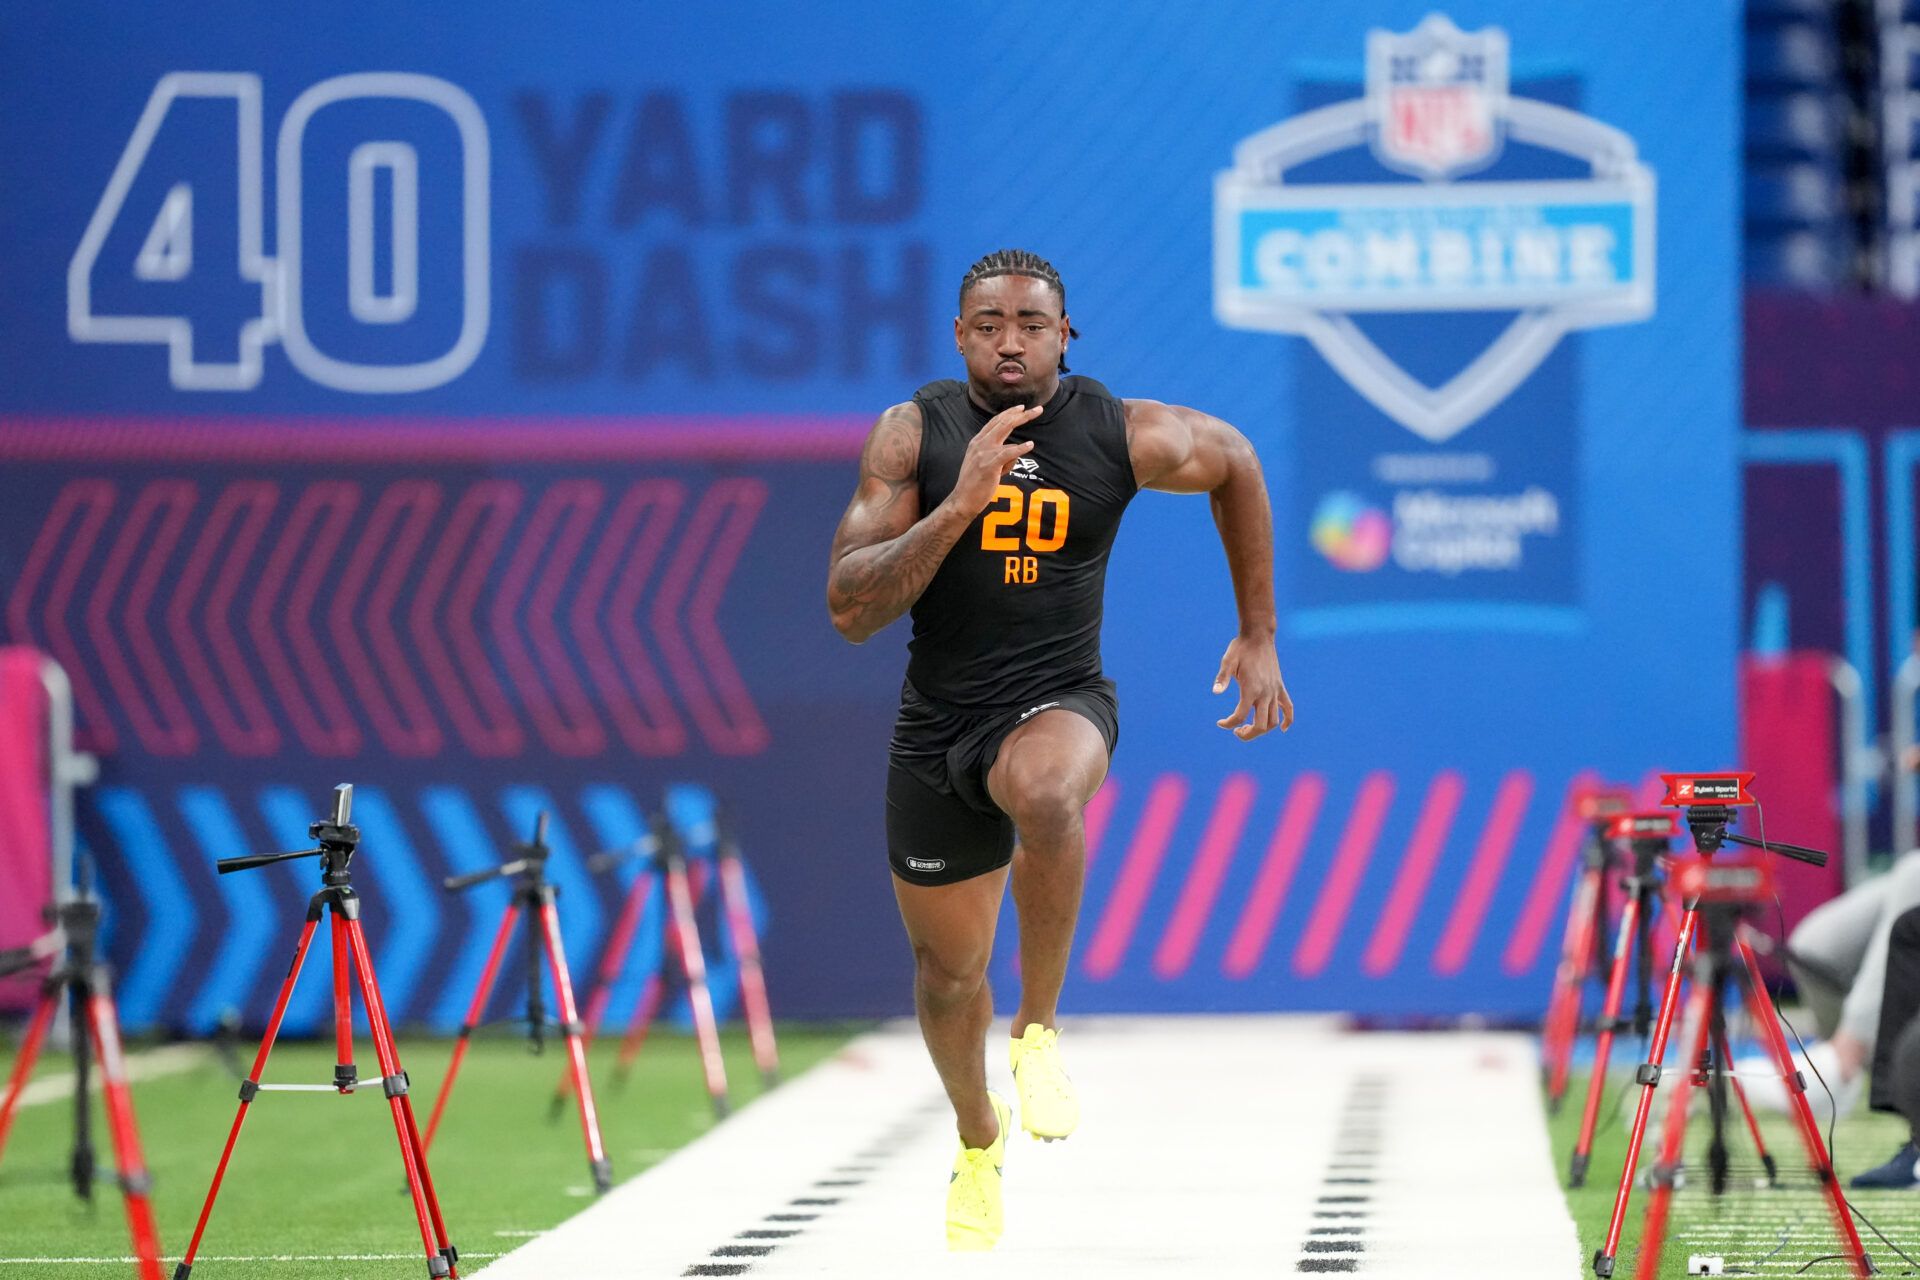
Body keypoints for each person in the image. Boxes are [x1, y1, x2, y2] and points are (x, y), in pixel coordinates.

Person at [825, 248, 1294, 1250]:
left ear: (1064, 336)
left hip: (1058, 697)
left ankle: (1038, 1028)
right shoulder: (915, 432)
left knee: (1046, 796)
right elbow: (849, 607)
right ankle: (977, 1136)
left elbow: (1239, 461)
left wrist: (1257, 630)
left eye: (1031, 323)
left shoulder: (1119, 431)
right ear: (959, 336)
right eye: (988, 321)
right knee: (948, 974)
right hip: (938, 725)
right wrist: (960, 503)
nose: (1009, 338)